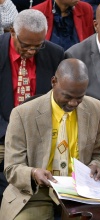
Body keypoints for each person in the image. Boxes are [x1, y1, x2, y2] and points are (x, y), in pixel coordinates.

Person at [0, 58, 100, 220]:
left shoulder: (96, 108)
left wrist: (96, 165)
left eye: (80, 97)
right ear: (54, 82)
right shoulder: (22, 114)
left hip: (79, 191)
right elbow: (12, 168)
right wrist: (34, 173)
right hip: (34, 192)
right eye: (67, 96)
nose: (73, 103)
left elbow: (99, 153)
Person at [0, 8, 64, 204]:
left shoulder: (55, 54)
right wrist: (7, 136)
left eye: (38, 46)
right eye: (26, 45)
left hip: (40, 139)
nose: (31, 51)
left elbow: (59, 102)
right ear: (12, 32)